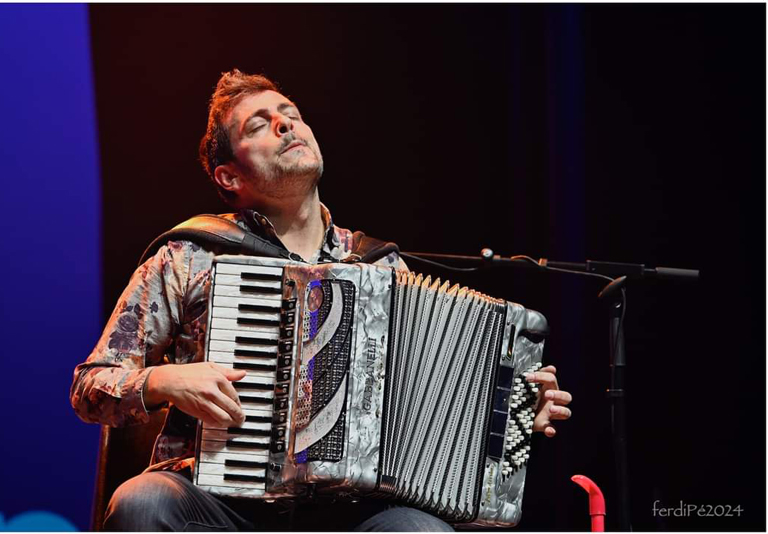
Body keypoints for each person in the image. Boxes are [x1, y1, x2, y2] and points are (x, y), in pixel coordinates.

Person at [71, 69, 573, 532]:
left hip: (349, 512)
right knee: (143, 502)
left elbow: (436, 409)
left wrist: (510, 412)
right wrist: (163, 382)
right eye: (259, 125)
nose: (285, 125)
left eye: (291, 114)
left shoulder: (379, 267)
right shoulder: (188, 257)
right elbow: (90, 387)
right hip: (218, 504)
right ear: (229, 176)